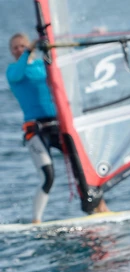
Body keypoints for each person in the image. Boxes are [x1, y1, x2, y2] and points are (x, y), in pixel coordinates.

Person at [6, 33, 108, 223]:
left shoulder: (42, 65)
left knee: (85, 167)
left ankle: (99, 207)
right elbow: (19, 73)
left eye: (22, 46)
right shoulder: (12, 71)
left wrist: (90, 39)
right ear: (11, 51)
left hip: (59, 125)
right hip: (36, 131)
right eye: (15, 47)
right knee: (48, 176)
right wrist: (29, 50)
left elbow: (67, 56)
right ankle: (36, 220)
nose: (18, 50)